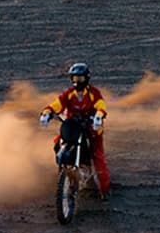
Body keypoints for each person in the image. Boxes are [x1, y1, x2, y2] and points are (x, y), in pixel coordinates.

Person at [39, 62, 111, 197]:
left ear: (86, 79)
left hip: (90, 128)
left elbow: (101, 105)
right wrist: (46, 113)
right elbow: (57, 104)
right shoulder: (69, 94)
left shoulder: (94, 93)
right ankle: (62, 174)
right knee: (58, 143)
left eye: (80, 78)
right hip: (73, 126)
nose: (77, 82)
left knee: (98, 157)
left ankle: (105, 190)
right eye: (74, 78)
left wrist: (99, 116)